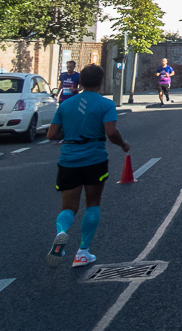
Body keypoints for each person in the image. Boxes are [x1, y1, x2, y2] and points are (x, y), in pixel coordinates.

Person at [46, 64, 130, 268]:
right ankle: (83, 252)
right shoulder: (106, 104)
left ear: (80, 82)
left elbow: (51, 135)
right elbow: (111, 132)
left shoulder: (65, 105)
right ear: (101, 81)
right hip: (94, 158)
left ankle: (61, 233)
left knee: (69, 207)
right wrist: (123, 145)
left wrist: (70, 133)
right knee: (92, 204)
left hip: (69, 159)